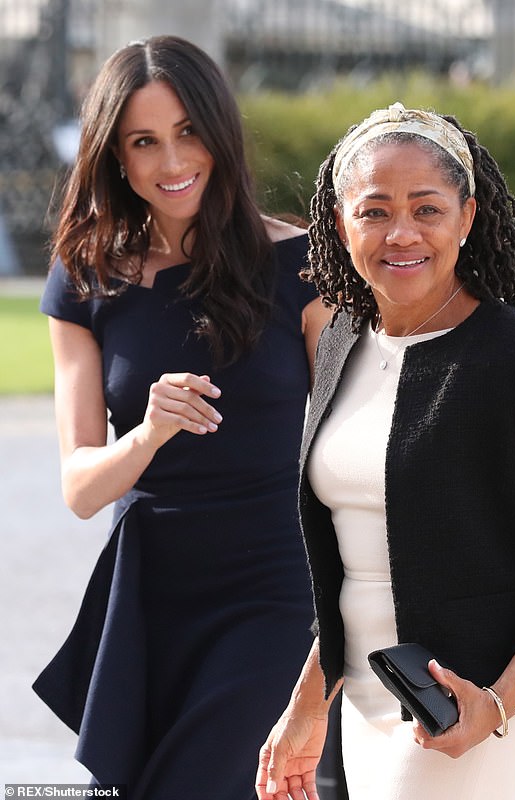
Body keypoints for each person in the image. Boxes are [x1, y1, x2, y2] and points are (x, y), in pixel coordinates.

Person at [256, 102, 515, 800]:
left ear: (466, 217)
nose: (401, 233)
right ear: (339, 222)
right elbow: (356, 565)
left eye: (427, 209)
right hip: (365, 704)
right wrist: (309, 707)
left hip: (463, 710)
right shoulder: (339, 345)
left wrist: (497, 705)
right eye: (374, 211)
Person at [33, 35, 330, 799]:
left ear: (220, 133)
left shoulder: (303, 267)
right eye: (144, 142)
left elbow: (355, 445)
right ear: (116, 158)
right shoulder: (85, 280)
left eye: (188, 132)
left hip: (275, 593)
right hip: (150, 598)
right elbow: (81, 488)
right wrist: (147, 432)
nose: (172, 162)